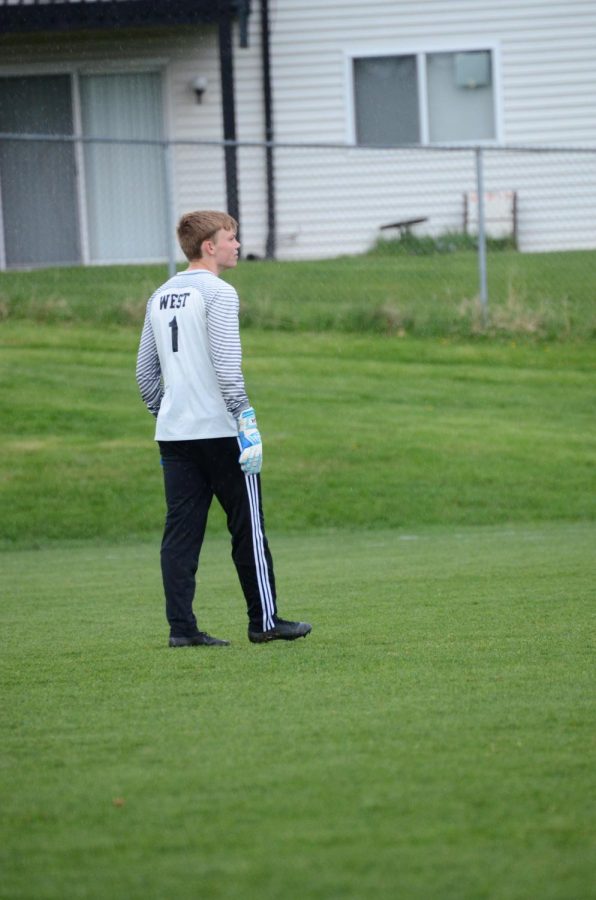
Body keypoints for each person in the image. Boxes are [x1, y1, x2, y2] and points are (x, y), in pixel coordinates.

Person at [136, 210, 312, 647]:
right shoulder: (219, 293)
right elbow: (227, 366)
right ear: (208, 246)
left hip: (175, 436)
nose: (237, 245)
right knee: (248, 526)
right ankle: (264, 622)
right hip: (221, 432)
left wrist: (170, 412)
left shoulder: (160, 294)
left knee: (180, 533)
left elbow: (145, 374)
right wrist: (245, 418)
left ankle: (182, 630)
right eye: (230, 237)